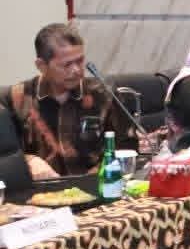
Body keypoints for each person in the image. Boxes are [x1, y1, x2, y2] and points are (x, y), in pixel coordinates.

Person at [7, 23, 138, 179]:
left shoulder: (103, 94)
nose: (76, 70)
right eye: (67, 64)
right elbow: (5, 154)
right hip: (42, 189)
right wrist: (27, 161)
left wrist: (98, 174)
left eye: (80, 61)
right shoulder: (17, 98)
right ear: (41, 65)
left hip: (97, 184)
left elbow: (127, 147)